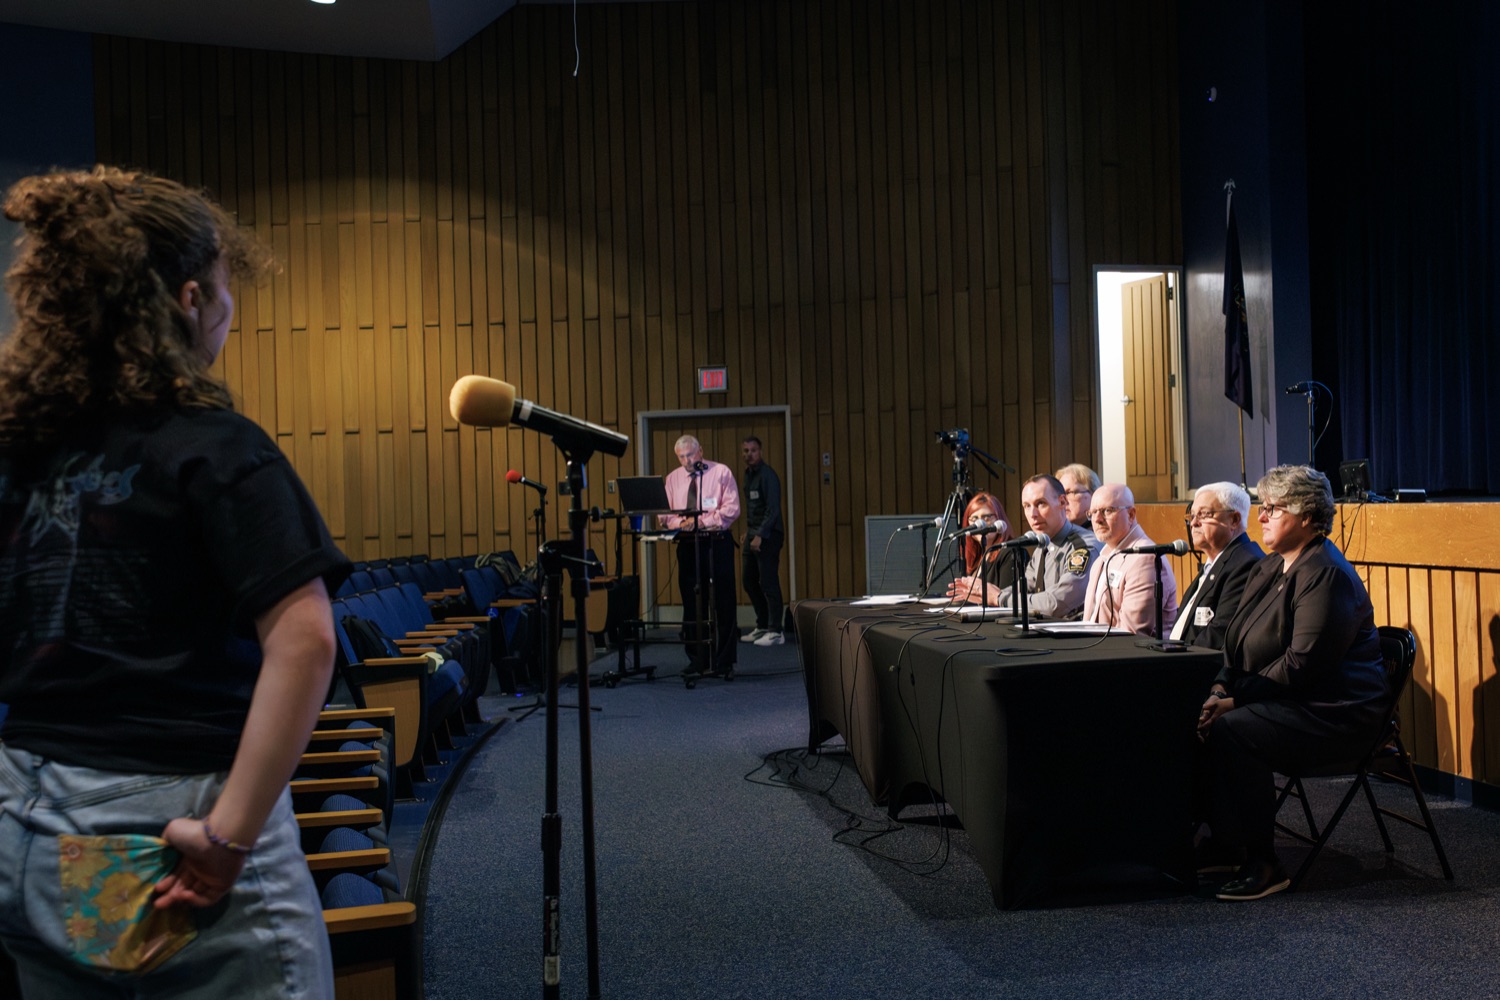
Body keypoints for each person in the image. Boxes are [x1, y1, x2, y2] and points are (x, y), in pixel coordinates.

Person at [0, 167, 350, 996]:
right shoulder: (215, 447)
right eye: (226, 288)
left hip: (25, 823)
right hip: (170, 832)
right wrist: (228, 839)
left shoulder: (18, 454)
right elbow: (305, 643)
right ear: (190, 300)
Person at [1196, 465, 1389, 901]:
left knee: (1233, 729)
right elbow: (1234, 642)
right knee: (1200, 715)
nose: (1262, 516)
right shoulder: (1269, 567)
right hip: (1289, 699)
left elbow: (1303, 665)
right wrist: (1220, 689)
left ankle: (1265, 863)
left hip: (1335, 712)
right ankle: (1226, 842)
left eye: (1274, 508)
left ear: (1307, 516)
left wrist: (1235, 701)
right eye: (1262, 506)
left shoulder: (1326, 573)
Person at [948, 474, 1094, 618]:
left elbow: (1056, 604)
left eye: (1041, 504)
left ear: (1062, 502)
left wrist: (999, 598)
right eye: (1027, 506)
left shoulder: (1082, 546)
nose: (1033, 514)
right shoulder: (1043, 544)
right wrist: (985, 594)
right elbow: (1023, 588)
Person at [659, 435, 741, 678]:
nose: (686, 461)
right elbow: (664, 516)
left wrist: (701, 522)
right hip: (687, 545)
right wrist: (682, 524)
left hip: (717, 542)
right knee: (692, 602)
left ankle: (724, 661)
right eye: (681, 457)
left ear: (700, 452)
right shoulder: (672, 479)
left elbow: (732, 509)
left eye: (690, 455)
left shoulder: (721, 472)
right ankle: (697, 660)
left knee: (724, 601)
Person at [1170, 482, 1264, 647]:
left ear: (1234, 520)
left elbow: (1220, 633)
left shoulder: (1247, 563)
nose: (1194, 523)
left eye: (1204, 514)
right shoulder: (1214, 562)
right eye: (1192, 515)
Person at [1081, 483, 1179, 638]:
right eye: (1093, 512)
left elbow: (1130, 635)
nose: (1097, 519)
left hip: (1128, 651)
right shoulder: (1102, 558)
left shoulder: (1145, 559)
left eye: (1107, 510)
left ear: (1131, 514)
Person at [739, 436, 786, 647]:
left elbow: (772, 509)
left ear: (761, 452)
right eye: (746, 451)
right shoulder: (747, 476)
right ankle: (763, 625)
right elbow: (753, 509)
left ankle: (776, 631)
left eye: (753, 450)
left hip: (769, 535)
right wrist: (749, 532)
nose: (749, 454)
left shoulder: (768, 475)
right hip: (753, 533)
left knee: (768, 582)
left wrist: (760, 534)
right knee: (748, 580)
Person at [958, 491, 1017, 595]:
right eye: (974, 519)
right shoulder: (977, 557)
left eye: (987, 517)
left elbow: (1007, 598)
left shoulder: (1011, 552)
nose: (980, 524)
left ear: (999, 519)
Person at [1055, 463, 1101, 541]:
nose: (1062, 501)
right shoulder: (1054, 536)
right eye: (1060, 494)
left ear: (1093, 495)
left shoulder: (1103, 536)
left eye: (1069, 493)